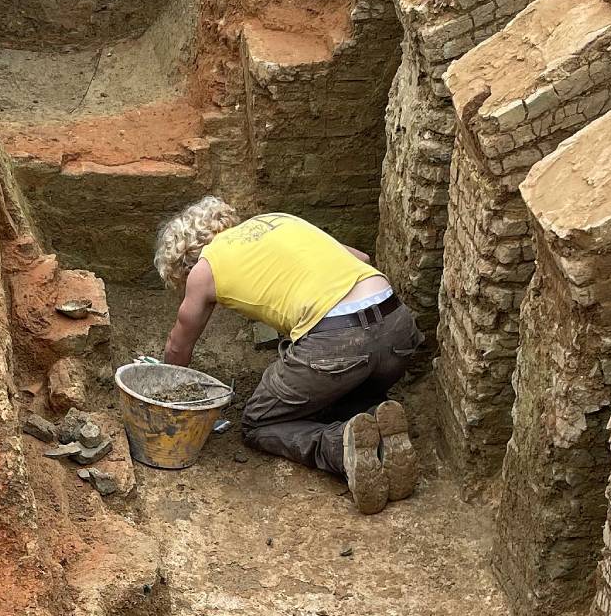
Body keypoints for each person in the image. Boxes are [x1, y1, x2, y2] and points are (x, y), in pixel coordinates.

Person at [153, 198, 425, 514]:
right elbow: (361, 258)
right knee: (335, 393)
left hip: (338, 342)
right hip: (397, 330)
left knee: (258, 423)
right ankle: (378, 426)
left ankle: (339, 448)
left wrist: (168, 397)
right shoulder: (280, 220)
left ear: (186, 262)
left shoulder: (204, 270)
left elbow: (177, 346)